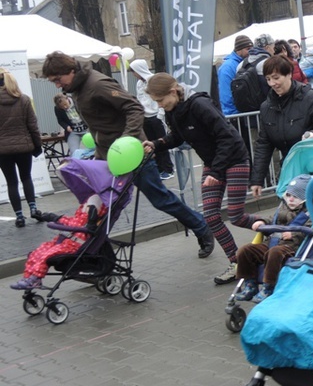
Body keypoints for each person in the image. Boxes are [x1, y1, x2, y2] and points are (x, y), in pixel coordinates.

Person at [41, 51, 215, 260]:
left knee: (160, 199)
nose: (57, 85)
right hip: (106, 154)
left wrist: (126, 142)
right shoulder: (77, 88)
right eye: (53, 82)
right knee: (102, 206)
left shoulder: (98, 84)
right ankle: (96, 257)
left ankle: (201, 227)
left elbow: (133, 107)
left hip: (130, 153)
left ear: (70, 71)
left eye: (58, 80)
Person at [145, 72, 262, 285]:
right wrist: (156, 144)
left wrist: (216, 173)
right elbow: (178, 136)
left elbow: (226, 136)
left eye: (161, 100)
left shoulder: (199, 105)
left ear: (173, 91)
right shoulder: (174, 111)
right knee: (211, 217)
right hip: (213, 163)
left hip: (234, 159)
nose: (160, 106)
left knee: (236, 216)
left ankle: (271, 227)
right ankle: (237, 263)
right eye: (156, 103)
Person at [249, 55, 313, 198]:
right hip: (292, 170)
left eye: (276, 77)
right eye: (268, 79)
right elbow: (264, 145)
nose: (272, 83)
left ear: (289, 74)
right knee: (291, 215)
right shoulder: (266, 107)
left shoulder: (308, 96)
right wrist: (257, 180)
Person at [235, 174, 312, 302]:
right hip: (271, 241)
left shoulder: (308, 212)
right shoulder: (282, 207)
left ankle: (268, 286)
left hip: (291, 247)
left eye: (296, 197)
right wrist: (261, 222)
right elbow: (272, 220)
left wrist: (294, 234)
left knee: (274, 252)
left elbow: (310, 230)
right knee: (245, 250)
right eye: (289, 195)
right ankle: (250, 284)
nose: (291, 199)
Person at [10, 193, 106, 290]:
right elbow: (73, 221)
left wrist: (57, 219)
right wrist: (56, 218)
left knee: (46, 255)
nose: (87, 207)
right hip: (64, 240)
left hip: (74, 244)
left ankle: (35, 278)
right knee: (36, 253)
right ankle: (27, 278)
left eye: (89, 206)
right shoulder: (83, 212)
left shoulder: (92, 218)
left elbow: (75, 225)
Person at [0, 69, 43, 228]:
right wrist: (37, 145)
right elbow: (33, 126)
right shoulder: (24, 100)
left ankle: (19, 216)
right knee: (26, 177)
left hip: (3, 150)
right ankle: (33, 208)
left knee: (11, 182)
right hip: (24, 147)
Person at [130, 59, 174, 179]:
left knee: (162, 142)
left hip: (156, 116)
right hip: (145, 116)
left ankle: (168, 168)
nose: (133, 74)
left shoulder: (154, 80)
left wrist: (160, 113)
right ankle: (159, 168)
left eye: (134, 71)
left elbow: (160, 96)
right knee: (151, 143)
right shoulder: (139, 83)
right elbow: (140, 99)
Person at [217, 34, 253, 117]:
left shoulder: (246, 63)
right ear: (238, 50)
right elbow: (226, 95)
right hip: (234, 115)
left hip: (243, 114)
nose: (251, 51)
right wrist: (236, 115)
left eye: (252, 48)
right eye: (248, 49)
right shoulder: (227, 67)